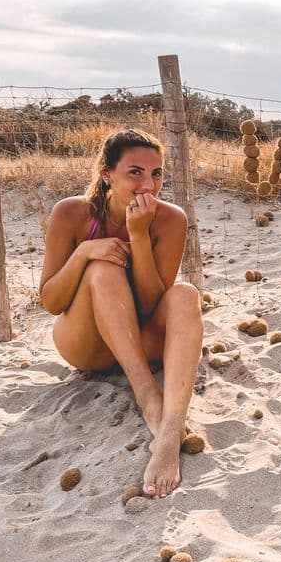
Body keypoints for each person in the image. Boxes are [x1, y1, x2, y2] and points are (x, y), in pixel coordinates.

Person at [39, 128, 203, 499]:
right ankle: (147, 394)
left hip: (140, 339)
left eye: (157, 173)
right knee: (103, 268)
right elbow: (51, 301)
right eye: (136, 172)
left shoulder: (170, 220)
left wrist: (139, 236)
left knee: (185, 295)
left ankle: (171, 426)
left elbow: (149, 305)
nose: (149, 184)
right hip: (88, 345)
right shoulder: (71, 213)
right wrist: (84, 253)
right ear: (107, 173)